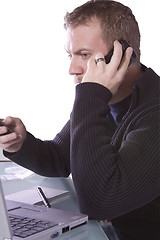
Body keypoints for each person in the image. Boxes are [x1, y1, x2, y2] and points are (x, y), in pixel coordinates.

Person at [0, 0, 160, 239]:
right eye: (70, 55)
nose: (72, 69)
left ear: (124, 55)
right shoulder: (102, 99)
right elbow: (61, 159)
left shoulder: (152, 114)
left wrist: (91, 95)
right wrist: (21, 144)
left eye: (84, 55)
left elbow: (98, 201)